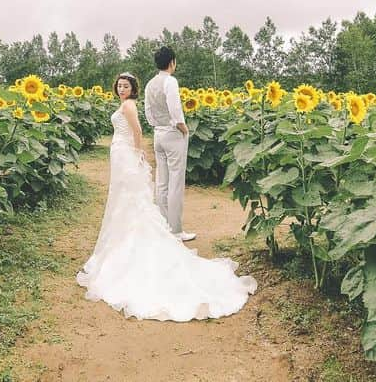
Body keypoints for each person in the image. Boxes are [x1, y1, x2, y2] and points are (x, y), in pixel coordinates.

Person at [75, 72, 257, 321]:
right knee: (124, 199)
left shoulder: (128, 105)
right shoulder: (124, 104)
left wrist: (138, 155)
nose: (121, 89)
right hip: (120, 153)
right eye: (119, 86)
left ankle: (129, 243)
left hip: (126, 154)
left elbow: (137, 130)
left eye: (126, 86)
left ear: (133, 88)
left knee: (129, 199)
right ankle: (126, 237)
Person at [143, 45, 193, 240]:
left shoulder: (149, 84)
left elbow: (148, 111)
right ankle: (176, 230)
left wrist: (157, 125)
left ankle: (163, 227)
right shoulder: (170, 81)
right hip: (173, 133)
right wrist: (182, 127)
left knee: (161, 182)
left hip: (158, 133)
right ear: (172, 62)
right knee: (176, 182)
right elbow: (175, 108)